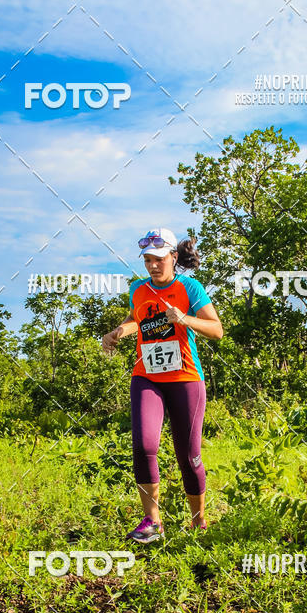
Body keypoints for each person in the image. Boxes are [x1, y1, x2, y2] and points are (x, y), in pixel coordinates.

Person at [102, 227, 223, 543]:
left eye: (158, 259)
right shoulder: (138, 289)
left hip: (185, 379)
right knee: (143, 445)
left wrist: (184, 319)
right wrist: (118, 332)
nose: (152, 265)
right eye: (147, 260)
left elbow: (216, 329)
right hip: (146, 376)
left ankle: (199, 521)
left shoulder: (189, 287)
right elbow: (135, 319)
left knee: (189, 456)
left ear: (172, 256)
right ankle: (152, 523)